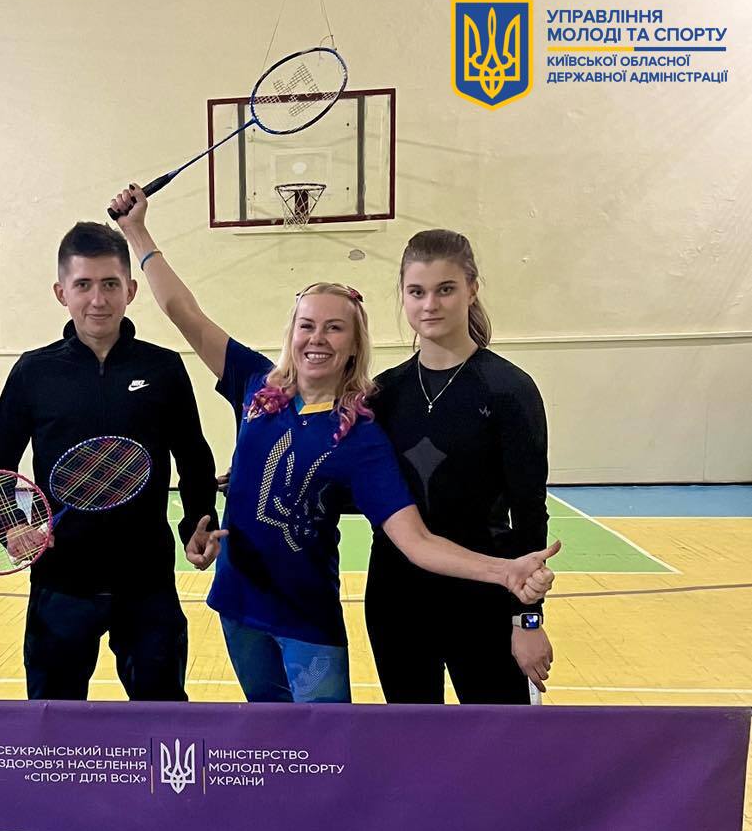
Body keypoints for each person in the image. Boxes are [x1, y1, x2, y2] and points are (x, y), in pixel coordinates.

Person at [108, 185, 559, 703]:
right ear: (291, 332)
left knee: (325, 741)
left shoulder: (364, 432)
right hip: (241, 606)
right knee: (273, 737)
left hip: (308, 617)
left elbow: (415, 538)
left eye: (334, 328)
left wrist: (509, 578)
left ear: (354, 343)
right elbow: (182, 310)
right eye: (307, 325)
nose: (317, 338)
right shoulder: (256, 386)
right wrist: (137, 231)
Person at [0, 221, 220, 701]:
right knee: (54, 723)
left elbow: (194, 456)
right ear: (61, 293)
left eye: (110, 284)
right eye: (84, 285)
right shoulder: (33, 372)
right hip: (61, 582)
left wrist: (197, 521)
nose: (98, 300)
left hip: (147, 582)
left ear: (130, 290)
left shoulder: (162, 367)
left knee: (161, 720)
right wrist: (10, 527)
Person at [366, 229, 552, 704]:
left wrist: (528, 621)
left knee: (498, 741)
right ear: (403, 296)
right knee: (412, 740)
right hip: (396, 600)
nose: (430, 304)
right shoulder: (383, 394)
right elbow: (361, 490)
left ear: (472, 289)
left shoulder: (509, 391)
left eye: (445, 289)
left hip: (482, 599)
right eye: (417, 292)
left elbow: (530, 518)